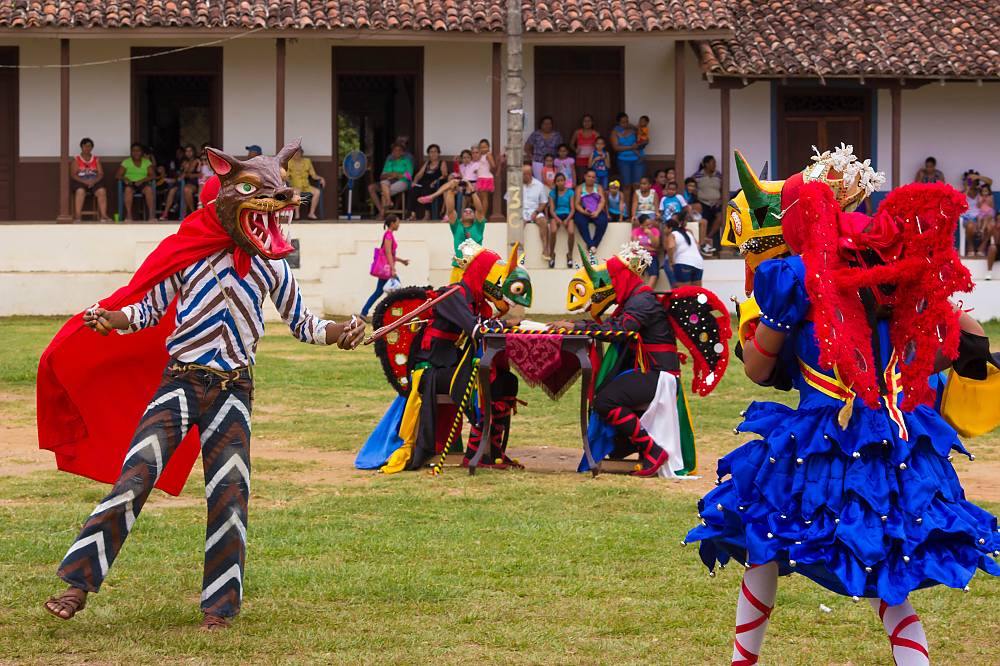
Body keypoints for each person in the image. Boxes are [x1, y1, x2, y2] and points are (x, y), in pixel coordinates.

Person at [686, 146, 1000, 665]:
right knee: (887, 575)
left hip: (817, 442)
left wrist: (779, 322)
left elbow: (759, 369)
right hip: (893, 442)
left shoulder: (797, 278)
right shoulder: (892, 274)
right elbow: (962, 341)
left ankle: (743, 662)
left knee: (763, 543)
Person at [39, 141, 367, 630]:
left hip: (235, 389)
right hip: (181, 382)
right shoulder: (189, 256)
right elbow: (149, 310)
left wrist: (339, 332)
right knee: (135, 476)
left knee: (231, 491)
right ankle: (77, 583)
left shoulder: (272, 264)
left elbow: (303, 322)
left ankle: (220, 607)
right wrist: (117, 317)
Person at [359, 241, 532, 474]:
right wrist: (508, 324)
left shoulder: (477, 303)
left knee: (506, 380)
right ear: (482, 273)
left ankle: (489, 451)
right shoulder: (452, 296)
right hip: (431, 369)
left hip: (449, 363)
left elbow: (484, 327)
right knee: (482, 381)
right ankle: (475, 453)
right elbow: (476, 329)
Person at [361, 214, 409, 320]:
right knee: (398, 291)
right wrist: (393, 269)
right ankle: (398, 314)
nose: (399, 224)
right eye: (397, 222)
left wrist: (402, 261)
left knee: (380, 292)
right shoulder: (388, 235)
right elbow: (387, 253)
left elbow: (390, 254)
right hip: (388, 270)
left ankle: (365, 312)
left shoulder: (389, 235)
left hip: (386, 270)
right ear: (392, 223)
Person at [508, 162, 550, 266]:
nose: (522, 176)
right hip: (520, 211)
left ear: (529, 174)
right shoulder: (516, 185)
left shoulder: (539, 185)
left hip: (535, 211)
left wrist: (536, 212)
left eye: (524, 174)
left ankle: (545, 250)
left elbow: (543, 202)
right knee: (517, 224)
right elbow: (509, 201)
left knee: (543, 222)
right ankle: (516, 252)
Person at [368, 142, 414, 220]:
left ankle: (382, 214)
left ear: (403, 152)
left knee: (384, 192)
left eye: (399, 150)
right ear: (392, 152)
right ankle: (388, 202)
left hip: (403, 182)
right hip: (390, 182)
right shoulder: (390, 162)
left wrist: (395, 174)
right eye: (395, 150)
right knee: (382, 183)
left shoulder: (407, 161)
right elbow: (382, 176)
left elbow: (409, 176)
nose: (397, 152)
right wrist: (395, 174)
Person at [574, 169, 608, 261]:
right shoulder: (580, 188)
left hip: (596, 210)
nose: (591, 179)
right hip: (584, 211)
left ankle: (593, 245)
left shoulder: (599, 187)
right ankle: (590, 244)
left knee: (603, 221)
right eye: (589, 176)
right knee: (579, 220)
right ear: (585, 176)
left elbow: (602, 201)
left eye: (593, 177)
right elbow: (576, 204)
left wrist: (597, 212)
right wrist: (583, 211)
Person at [71, 137, 109, 222]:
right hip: (80, 181)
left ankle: (103, 216)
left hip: (94, 181)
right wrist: (84, 181)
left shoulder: (96, 159)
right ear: (81, 147)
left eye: (89, 146)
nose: (87, 148)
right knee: (80, 191)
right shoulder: (76, 159)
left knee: (102, 191)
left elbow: (100, 173)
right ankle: (77, 216)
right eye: (85, 146)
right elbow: (73, 175)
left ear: (92, 147)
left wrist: (93, 181)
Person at [693, 155, 723, 255]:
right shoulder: (698, 175)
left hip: (715, 204)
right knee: (703, 221)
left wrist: (721, 199)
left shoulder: (718, 175)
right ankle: (703, 244)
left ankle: (708, 238)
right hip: (703, 203)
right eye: (713, 163)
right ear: (706, 164)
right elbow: (692, 187)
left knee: (720, 218)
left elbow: (722, 188)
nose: (715, 165)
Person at [117, 143, 155, 222]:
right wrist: (125, 179)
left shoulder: (146, 162)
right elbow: (117, 175)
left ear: (142, 152)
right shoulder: (126, 162)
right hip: (130, 183)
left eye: (138, 150)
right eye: (134, 150)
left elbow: (153, 175)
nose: (136, 152)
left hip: (143, 183)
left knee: (149, 190)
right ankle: (129, 216)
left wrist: (142, 181)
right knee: (128, 190)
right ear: (131, 152)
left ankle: (151, 216)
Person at [610, 112, 642, 203]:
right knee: (626, 185)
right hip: (623, 161)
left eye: (627, 121)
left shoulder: (632, 130)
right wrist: (631, 147)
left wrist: (634, 127)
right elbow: (616, 147)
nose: (625, 124)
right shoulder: (614, 132)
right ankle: (626, 212)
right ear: (618, 122)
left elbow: (642, 137)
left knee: (637, 185)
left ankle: (636, 211)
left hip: (637, 159)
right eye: (623, 122)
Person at [409, 144, 448, 220]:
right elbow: (419, 175)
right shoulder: (427, 163)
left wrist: (436, 181)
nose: (433, 153)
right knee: (413, 190)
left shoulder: (442, 162)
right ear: (428, 154)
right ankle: (413, 214)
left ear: (438, 153)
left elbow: (444, 174)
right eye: (431, 152)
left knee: (426, 189)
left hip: (435, 185)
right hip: (424, 183)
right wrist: (414, 182)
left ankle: (427, 214)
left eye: (435, 151)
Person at [664, 215, 703, 286]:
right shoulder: (688, 233)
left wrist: (671, 262)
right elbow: (698, 246)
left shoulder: (672, 234)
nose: (664, 230)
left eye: (665, 228)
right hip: (698, 263)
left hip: (683, 263)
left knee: (683, 292)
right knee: (697, 292)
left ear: (670, 228)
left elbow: (671, 247)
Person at [287, 148, 325, 220]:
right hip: (295, 185)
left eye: (299, 152)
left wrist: (321, 178)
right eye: (295, 152)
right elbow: (286, 176)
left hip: (306, 185)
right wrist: (289, 183)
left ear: (302, 153)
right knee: (296, 192)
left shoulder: (307, 161)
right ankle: (297, 214)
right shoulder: (289, 162)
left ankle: (311, 213)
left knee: (317, 192)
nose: (297, 154)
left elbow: (314, 175)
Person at [548, 172, 576, 269]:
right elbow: (551, 210)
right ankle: (551, 254)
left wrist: (567, 219)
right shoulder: (552, 193)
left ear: (565, 181)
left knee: (571, 232)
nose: (560, 183)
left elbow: (572, 208)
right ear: (555, 182)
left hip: (568, 215)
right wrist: (558, 219)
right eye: (558, 181)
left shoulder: (570, 192)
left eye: (562, 180)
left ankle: (570, 255)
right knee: (553, 231)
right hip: (556, 215)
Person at [525, 115, 563, 182]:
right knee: (539, 181)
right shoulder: (535, 134)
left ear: (552, 125)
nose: (547, 125)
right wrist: (532, 157)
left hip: (552, 163)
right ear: (541, 125)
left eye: (549, 124)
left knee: (552, 181)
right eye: (545, 123)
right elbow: (527, 147)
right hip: (538, 163)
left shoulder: (557, 135)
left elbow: (561, 149)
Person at [631, 215, 661, 288]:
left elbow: (656, 245)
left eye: (650, 223)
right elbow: (635, 247)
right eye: (647, 224)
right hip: (638, 255)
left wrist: (650, 234)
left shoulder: (655, 231)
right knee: (635, 273)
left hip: (651, 255)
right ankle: (639, 291)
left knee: (654, 275)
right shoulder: (636, 231)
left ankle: (647, 291)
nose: (650, 226)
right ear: (641, 224)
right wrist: (649, 248)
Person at [570, 114, 598, 183]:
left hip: (592, 160)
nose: (587, 123)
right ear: (582, 123)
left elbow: (600, 145)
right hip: (580, 160)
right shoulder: (577, 132)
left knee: (592, 180)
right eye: (585, 121)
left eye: (589, 121)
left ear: (592, 122)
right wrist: (575, 150)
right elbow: (571, 144)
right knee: (581, 179)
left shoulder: (595, 133)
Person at [476, 138, 497, 214]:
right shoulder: (481, 156)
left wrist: (490, 171)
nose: (483, 149)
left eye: (485, 147)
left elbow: (493, 165)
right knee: (480, 197)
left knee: (484, 198)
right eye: (481, 147)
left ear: (488, 147)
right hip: (481, 177)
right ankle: (481, 214)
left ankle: (483, 215)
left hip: (486, 178)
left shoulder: (488, 155)